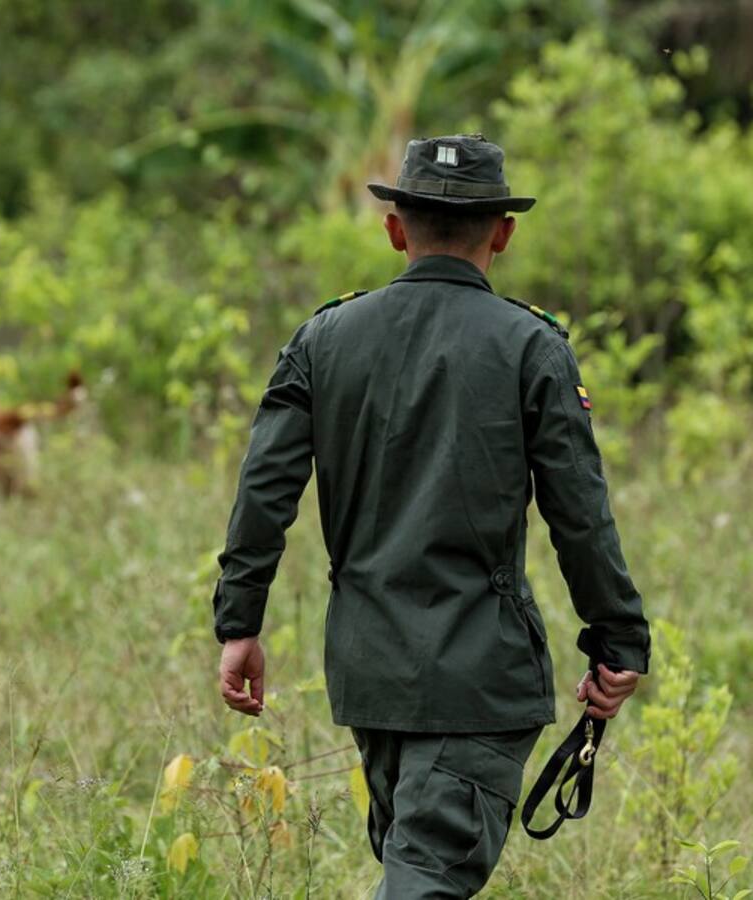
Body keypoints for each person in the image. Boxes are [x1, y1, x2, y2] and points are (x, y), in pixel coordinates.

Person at [210, 134, 651, 898]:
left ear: (394, 228)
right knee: (422, 880)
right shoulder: (530, 345)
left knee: (415, 869)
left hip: (368, 671)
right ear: (504, 232)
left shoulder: (323, 339)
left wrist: (239, 623)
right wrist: (618, 636)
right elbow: (579, 511)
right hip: (480, 671)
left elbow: (263, 493)